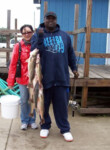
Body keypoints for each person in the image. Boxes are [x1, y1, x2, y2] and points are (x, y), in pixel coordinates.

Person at [31, 12, 79, 141]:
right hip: (44, 78)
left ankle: (65, 129)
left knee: (61, 106)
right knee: (44, 105)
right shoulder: (38, 34)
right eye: (48, 18)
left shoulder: (65, 36)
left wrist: (74, 68)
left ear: (56, 20)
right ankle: (45, 126)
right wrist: (40, 38)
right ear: (44, 20)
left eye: (53, 19)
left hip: (62, 77)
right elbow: (33, 52)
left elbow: (71, 54)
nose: (50, 21)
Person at [7, 24, 38, 130]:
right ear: (21, 34)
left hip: (34, 78)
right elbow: (13, 64)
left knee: (33, 100)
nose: (27, 34)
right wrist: (10, 82)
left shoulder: (36, 44)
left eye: (29, 32)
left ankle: (32, 120)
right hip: (22, 79)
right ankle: (24, 120)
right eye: (24, 33)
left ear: (33, 32)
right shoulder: (18, 46)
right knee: (24, 100)